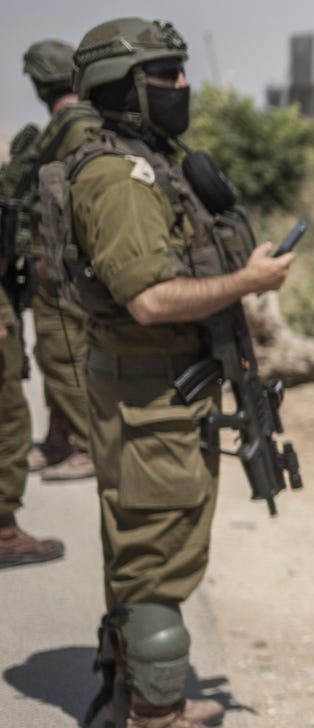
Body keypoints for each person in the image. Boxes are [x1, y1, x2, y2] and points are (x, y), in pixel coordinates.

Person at [59, 18, 295, 726]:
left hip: (160, 392)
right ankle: (156, 716)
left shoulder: (154, 162)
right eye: (164, 75)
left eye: (180, 72)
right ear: (123, 89)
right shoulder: (118, 178)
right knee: (157, 564)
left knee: (146, 550)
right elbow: (151, 297)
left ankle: (137, 690)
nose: (181, 86)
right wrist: (248, 283)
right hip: (151, 396)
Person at [0, 41, 90, 570]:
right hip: (55, 268)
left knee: (62, 355)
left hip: (57, 268)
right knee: (46, 370)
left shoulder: (61, 134)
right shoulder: (74, 132)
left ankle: (76, 444)